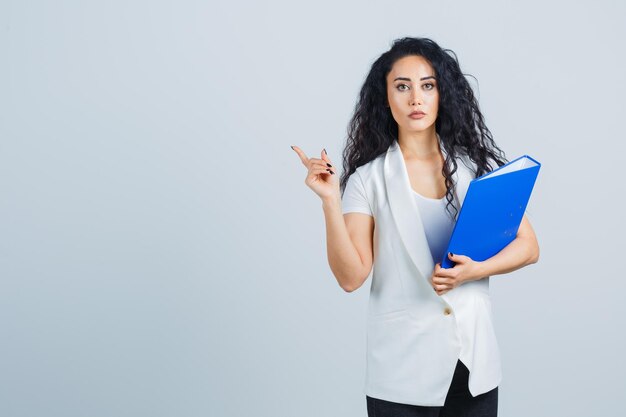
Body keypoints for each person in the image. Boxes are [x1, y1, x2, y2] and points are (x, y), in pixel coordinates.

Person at [291, 37, 539, 417]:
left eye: (427, 85)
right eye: (402, 87)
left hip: (473, 367)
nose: (415, 98)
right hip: (402, 371)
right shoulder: (367, 180)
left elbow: (529, 246)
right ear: (386, 99)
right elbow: (350, 277)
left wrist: (477, 271)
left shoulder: (475, 170)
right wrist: (330, 202)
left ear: (443, 95)